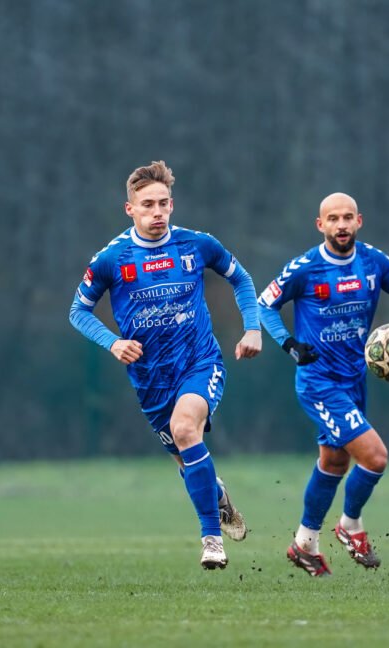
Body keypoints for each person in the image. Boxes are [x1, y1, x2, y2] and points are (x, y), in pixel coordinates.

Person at [69, 160, 261, 570]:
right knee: (186, 456)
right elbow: (78, 311)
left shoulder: (197, 245)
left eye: (163, 203)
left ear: (172, 205)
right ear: (130, 209)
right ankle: (216, 495)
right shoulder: (111, 259)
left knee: (185, 428)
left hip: (200, 362)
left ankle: (211, 540)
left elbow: (241, 279)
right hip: (150, 379)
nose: (157, 212)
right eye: (147, 205)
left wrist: (252, 328)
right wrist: (113, 342)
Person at [258, 192, 389, 577]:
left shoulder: (373, 260)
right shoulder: (304, 268)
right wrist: (289, 344)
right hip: (319, 382)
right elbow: (265, 305)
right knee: (375, 458)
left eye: (348, 217)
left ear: (359, 221)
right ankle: (350, 525)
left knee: (334, 462)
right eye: (333, 219)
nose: (342, 225)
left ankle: (304, 544)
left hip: (355, 379)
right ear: (321, 225)